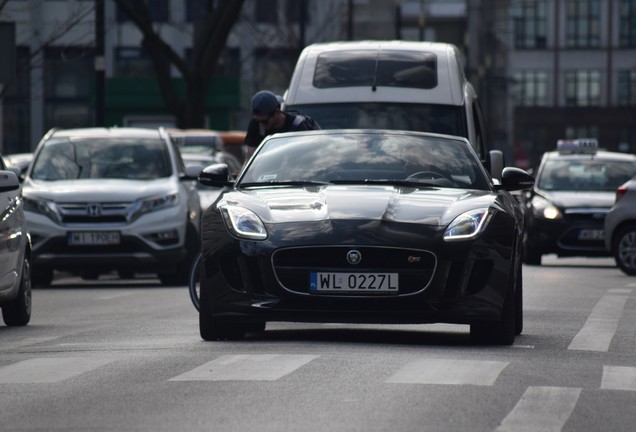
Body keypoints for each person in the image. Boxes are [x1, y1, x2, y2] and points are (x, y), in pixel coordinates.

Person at [243, 90, 320, 161]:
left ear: (277, 111)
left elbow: (304, 160)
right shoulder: (256, 125)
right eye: (258, 121)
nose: (261, 125)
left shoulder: (298, 127)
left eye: (264, 121)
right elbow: (250, 157)